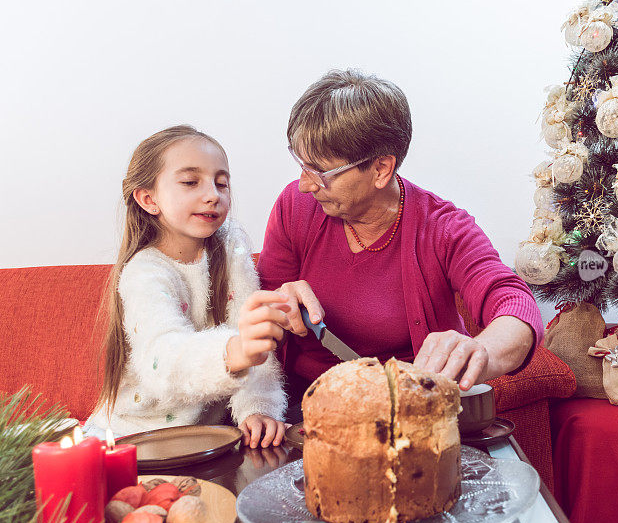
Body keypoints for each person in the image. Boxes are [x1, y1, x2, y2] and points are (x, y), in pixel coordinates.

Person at [257, 70, 544, 418]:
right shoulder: (295, 207)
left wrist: (480, 350)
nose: (305, 185)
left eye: (320, 172)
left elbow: (514, 303)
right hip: (308, 407)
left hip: (410, 412)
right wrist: (276, 305)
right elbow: (260, 317)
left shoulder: (444, 228)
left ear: (381, 169)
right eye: (301, 165)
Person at [85, 125, 289, 448]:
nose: (213, 194)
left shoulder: (231, 248)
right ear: (148, 198)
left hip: (208, 444)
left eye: (221, 183)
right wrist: (234, 351)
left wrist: (258, 409)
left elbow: (256, 345)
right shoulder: (144, 272)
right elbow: (162, 361)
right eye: (191, 182)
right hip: (132, 440)